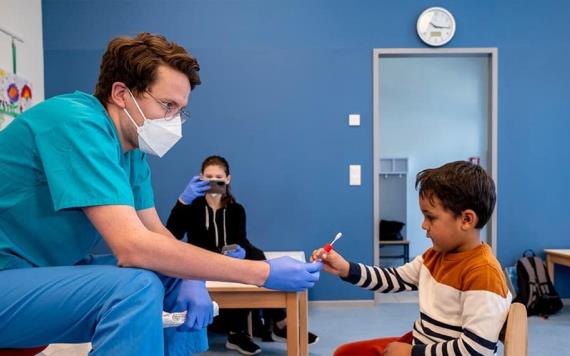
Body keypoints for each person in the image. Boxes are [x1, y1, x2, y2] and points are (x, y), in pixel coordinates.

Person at [0, 32, 321, 356]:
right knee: (132, 288)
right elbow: (132, 248)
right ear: (122, 93)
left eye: (181, 110)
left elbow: (156, 233)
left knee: (171, 276)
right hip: (9, 273)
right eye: (167, 105)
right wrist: (262, 273)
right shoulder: (75, 123)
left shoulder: (131, 151)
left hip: (38, 271)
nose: (174, 121)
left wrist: (191, 278)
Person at [312, 161, 512, 356]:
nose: (424, 225)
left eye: (431, 217)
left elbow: (476, 350)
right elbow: (394, 279)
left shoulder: (484, 273)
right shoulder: (433, 256)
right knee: (346, 353)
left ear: (467, 220)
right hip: (421, 345)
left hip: (422, 351)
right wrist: (345, 268)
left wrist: (412, 352)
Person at [167, 155, 319, 355]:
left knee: (256, 254)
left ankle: (277, 322)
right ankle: (250, 329)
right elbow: (171, 235)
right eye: (208, 177)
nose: (213, 181)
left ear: (228, 179)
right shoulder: (192, 208)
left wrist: (243, 251)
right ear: (200, 179)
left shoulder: (236, 210)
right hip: (201, 263)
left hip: (227, 262)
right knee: (251, 258)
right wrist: (182, 201)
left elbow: (241, 239)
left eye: (218, 177)